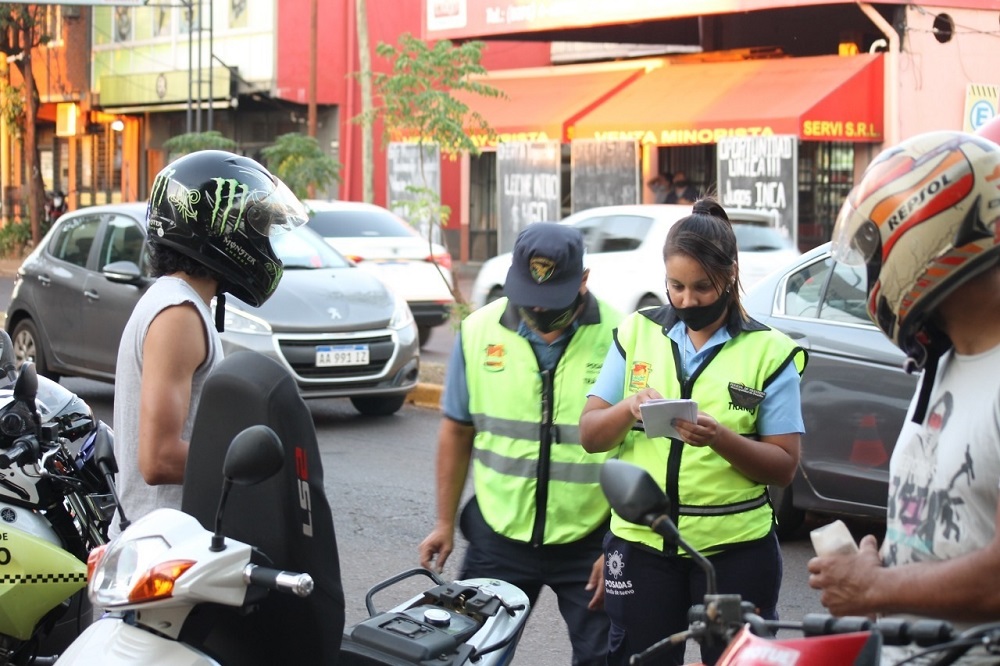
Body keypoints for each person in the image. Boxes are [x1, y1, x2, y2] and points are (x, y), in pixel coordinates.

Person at [579, 197, 807, 666]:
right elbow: (591, 434)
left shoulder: (770, 352)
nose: (687, 300)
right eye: (675, 286)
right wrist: (628, 408)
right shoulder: (636, 333)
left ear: (730, 276)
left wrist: (721, 439)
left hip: (735, 552)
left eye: (703, 287)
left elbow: (784, 467)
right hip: (643, 546)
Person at [807, 131, 1000, 663]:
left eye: (876, 251)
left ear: (927, 235)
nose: (873, 274)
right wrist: (882, 562)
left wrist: (875, 589)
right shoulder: (941, 361)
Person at [418, 222, 621, 666]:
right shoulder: (477, 332)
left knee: (606, 659)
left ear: (583, 281)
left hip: (591, 539)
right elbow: (457, 430)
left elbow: (642, 451)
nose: (537, 311)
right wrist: (443, 522)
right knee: (471, 657)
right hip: (499, 534)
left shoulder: (623, 337)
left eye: (551, 302)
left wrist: (621, 544)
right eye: (528, 296)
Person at [111, 149, 308, 539]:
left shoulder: (176, 303)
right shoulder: (178, 314)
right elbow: (159, 459)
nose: (263, 243)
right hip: (161, 551)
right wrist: (267, 467)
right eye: (259, 231)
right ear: (222, 230)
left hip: (171, 541)